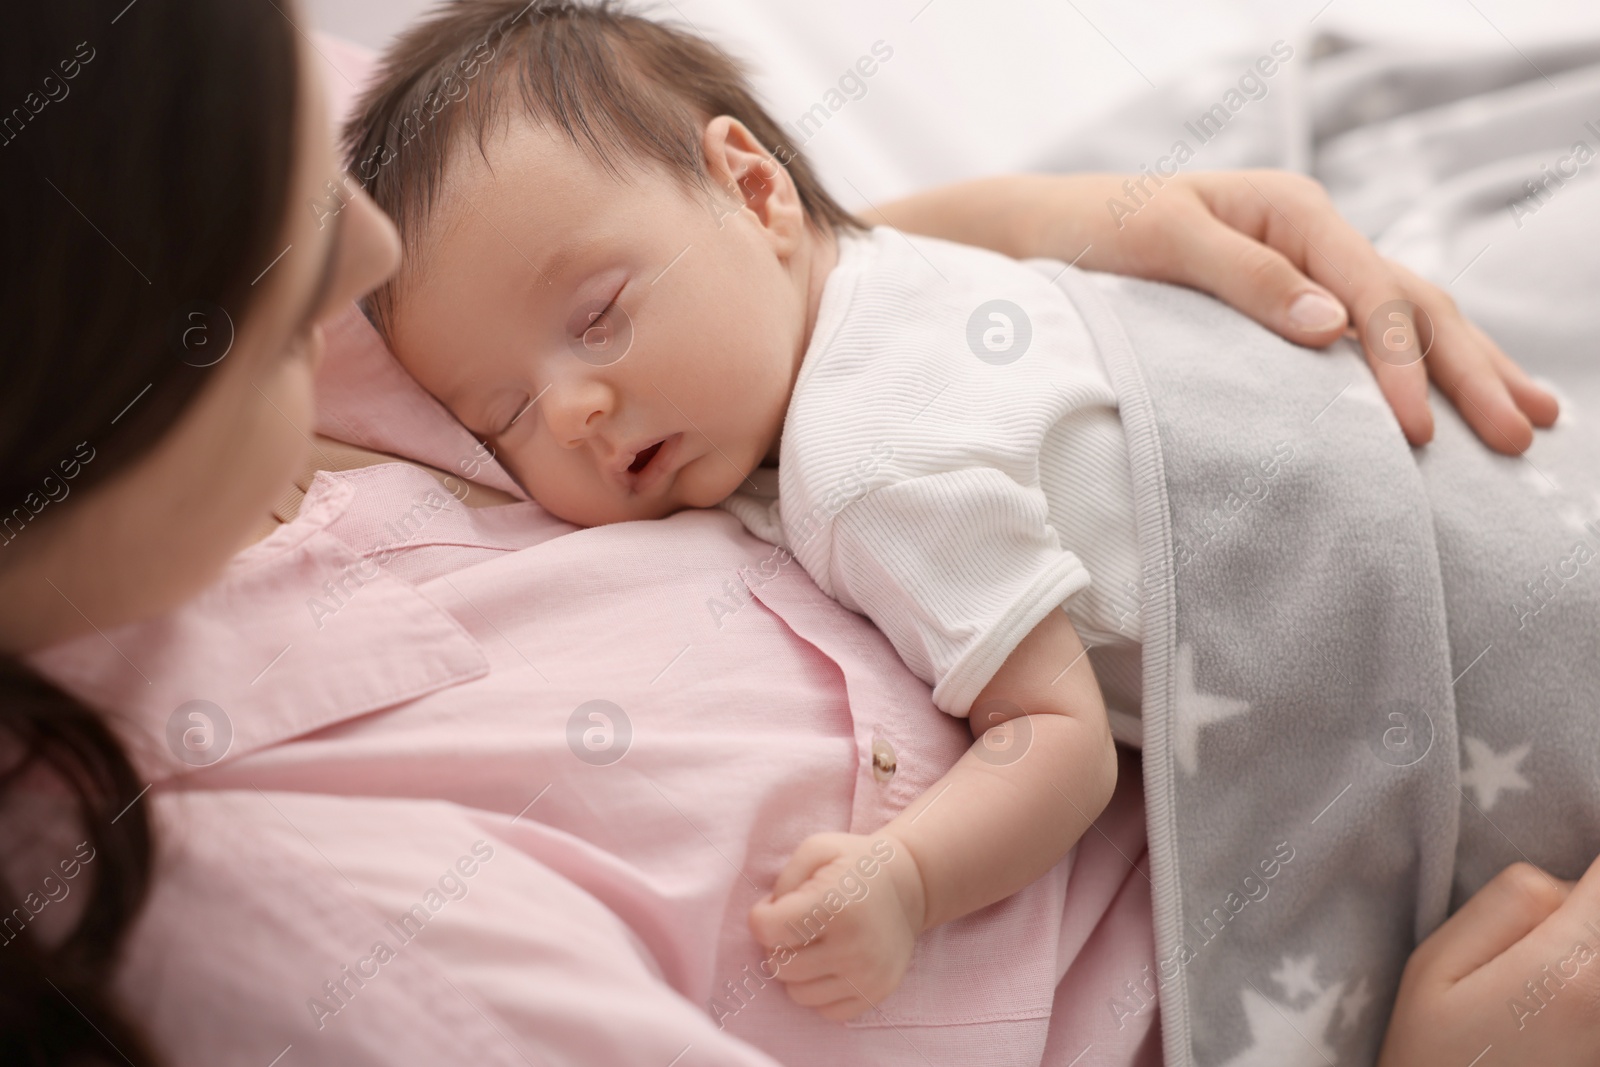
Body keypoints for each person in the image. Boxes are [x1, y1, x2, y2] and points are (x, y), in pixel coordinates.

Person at [0, 1, 1583, 1064]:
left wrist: (1050, 225)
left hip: (1223, 405)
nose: (365, 250)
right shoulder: (303, 943)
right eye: (278, 317)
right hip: (1348, 939)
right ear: (77, 417)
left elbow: (649, 208)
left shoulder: (170, 115)